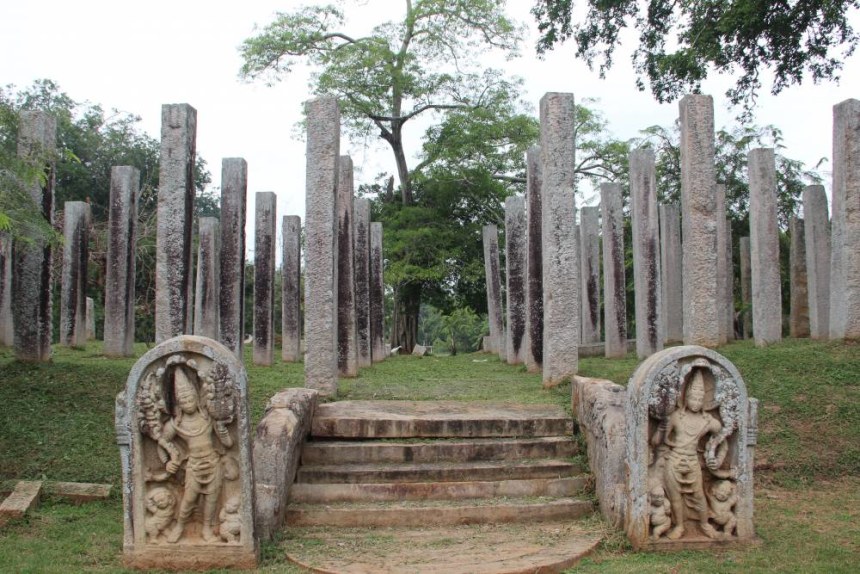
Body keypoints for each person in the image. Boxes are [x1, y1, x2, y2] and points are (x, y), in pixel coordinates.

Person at [161, 366, 233, 543]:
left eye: (190, 398)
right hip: (193, 465)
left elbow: (229, 444)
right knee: (188, 500)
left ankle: (207, 529)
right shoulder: (175, 425)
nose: (188, 402)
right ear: (178, 404)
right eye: (183, 400)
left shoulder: (208, 418)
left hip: (212, 463)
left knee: (211, 500)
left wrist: (222, 431)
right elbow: (162, 442)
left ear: (196, 397)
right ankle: (179, 526)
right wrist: (167, 461)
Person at [654, 369, 721, 539]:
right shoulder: (676, 416)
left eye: (700, 399)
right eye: (693, 398)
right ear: (685, 398)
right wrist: (662, 428)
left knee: (699, 496)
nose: (696, 402)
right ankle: (679, 526)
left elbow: (721, 434)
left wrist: (714, 453)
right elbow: (656, 441)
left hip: (692, 461)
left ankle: (705, 524)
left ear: (704, 400)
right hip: (675, 460)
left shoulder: (707, 421)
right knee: (675, 497)